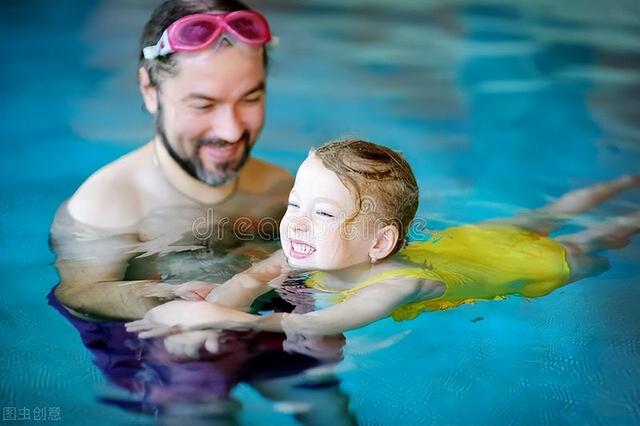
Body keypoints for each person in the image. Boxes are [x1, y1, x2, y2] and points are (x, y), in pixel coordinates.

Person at [126, 139, 640, 342]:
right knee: (543, 212)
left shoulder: (396, 286)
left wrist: (216, 317)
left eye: (323, 212)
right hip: (464, 242)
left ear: (380, 243)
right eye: (294, 204)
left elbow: (324, 320)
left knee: (593, 239)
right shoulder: (316, 245)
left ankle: (628, 211)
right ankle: (623, 183)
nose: (297, 223)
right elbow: (255, 275)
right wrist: (209, 310)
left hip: (534, 265)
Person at [51, 0, 293, 320]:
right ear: (149, 89)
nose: (231, 131)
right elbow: (80, 293)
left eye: (251, 98)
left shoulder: (281, 188)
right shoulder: (105, 207)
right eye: (203, 105)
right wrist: (164, 298)